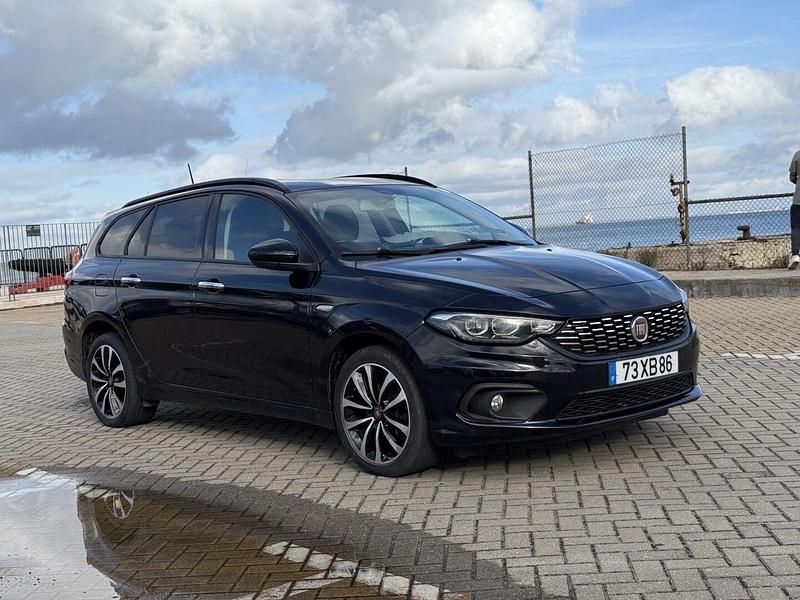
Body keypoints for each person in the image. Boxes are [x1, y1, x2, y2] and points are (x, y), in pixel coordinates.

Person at [790, 149, 800, 269]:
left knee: (796, 227)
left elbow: (792, 177)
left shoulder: (798, 154)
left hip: (798, 198)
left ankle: (795, 254)